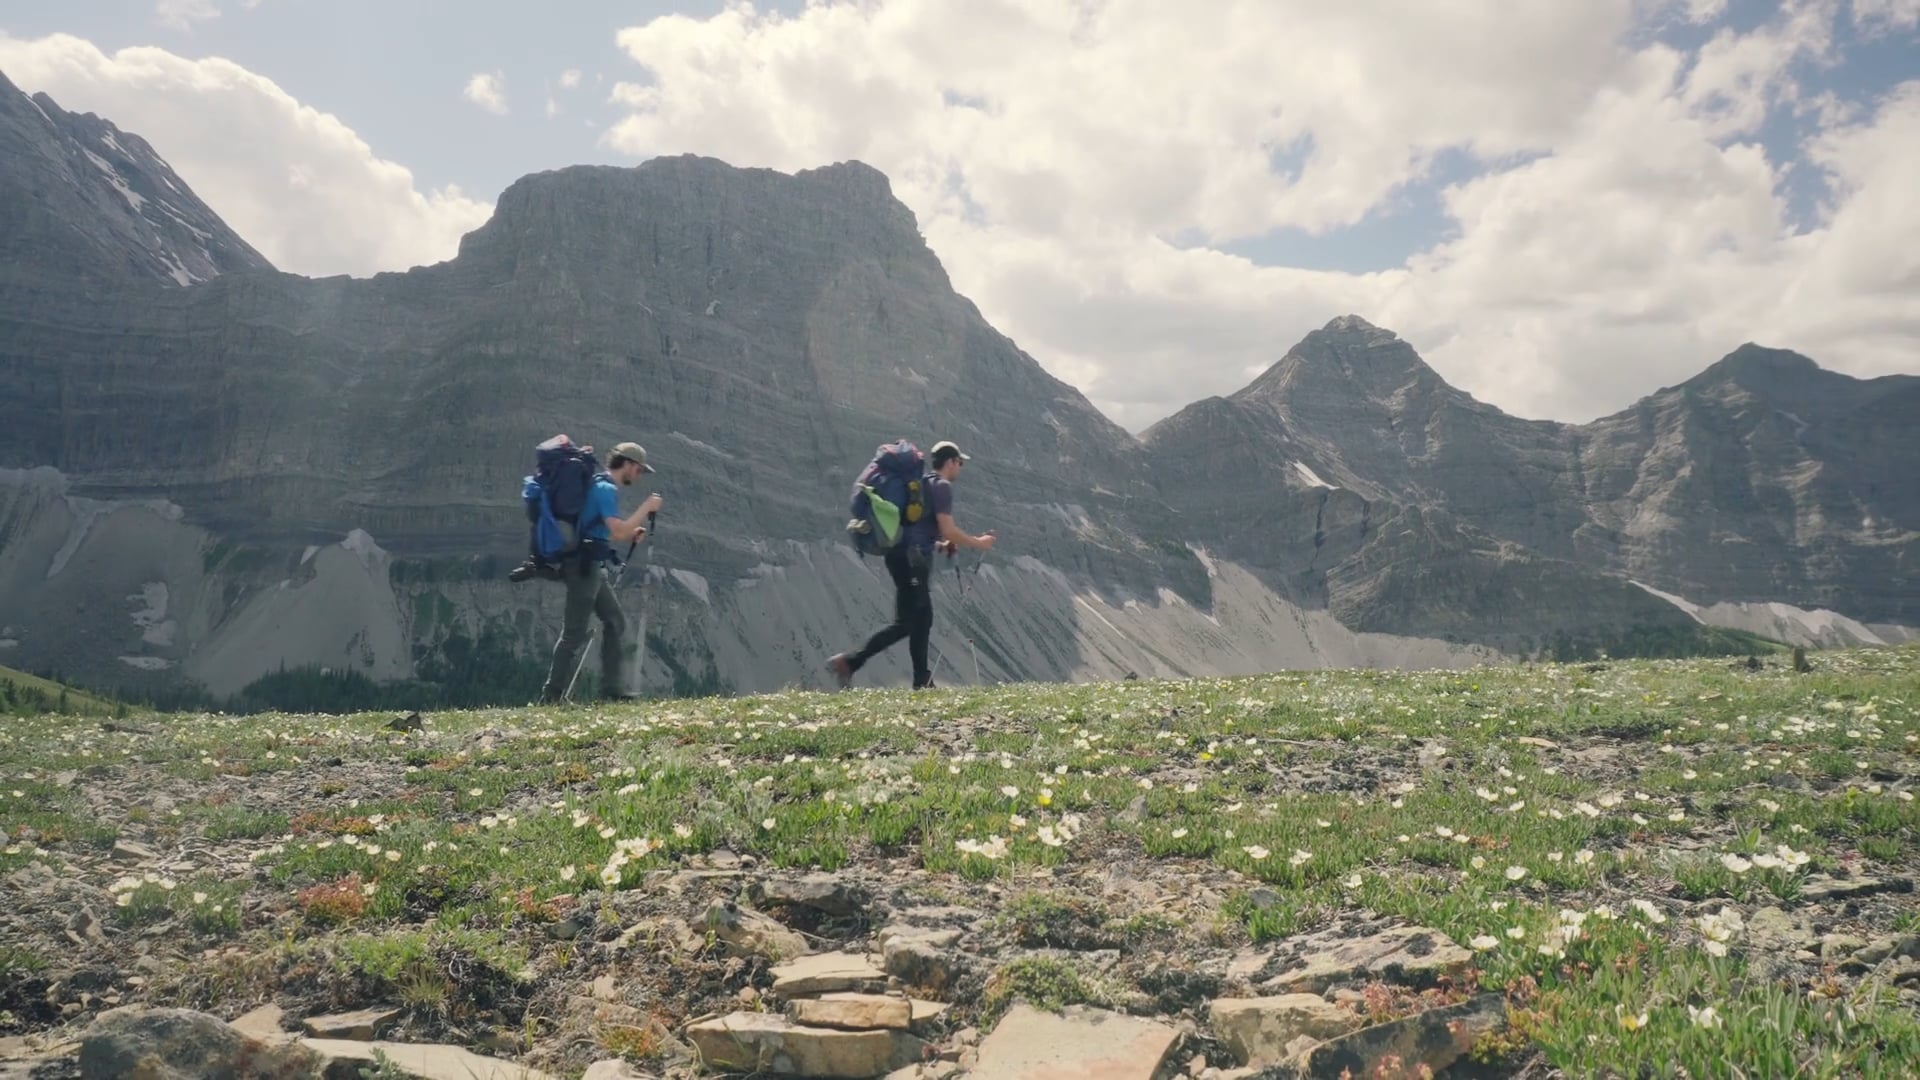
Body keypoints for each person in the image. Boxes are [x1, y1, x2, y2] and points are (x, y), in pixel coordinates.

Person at [829, 440, 994, 690]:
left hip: (900, 555)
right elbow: (948, 528)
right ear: (950, 462)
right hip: (912, 558)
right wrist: (979, 542)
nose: (960, 467)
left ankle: (913, 677)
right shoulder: (941, 487)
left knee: (915, 619)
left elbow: (919, 524)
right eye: (959, 463)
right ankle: (855, 663)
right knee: (913, 620)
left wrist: (940, 543)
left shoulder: (922, 482)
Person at [541, 441, 663, 702]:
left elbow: (606, 530)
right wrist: (646, 509)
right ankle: (551, 697)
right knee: (573, 633)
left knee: (615, 621)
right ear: (628, 464)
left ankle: (611, 690)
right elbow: (617, 530)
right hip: (584, 567)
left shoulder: (598, 485)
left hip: (590, 564)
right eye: (639, 470)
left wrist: (631, 533)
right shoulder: (605, 488)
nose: (639, 476)